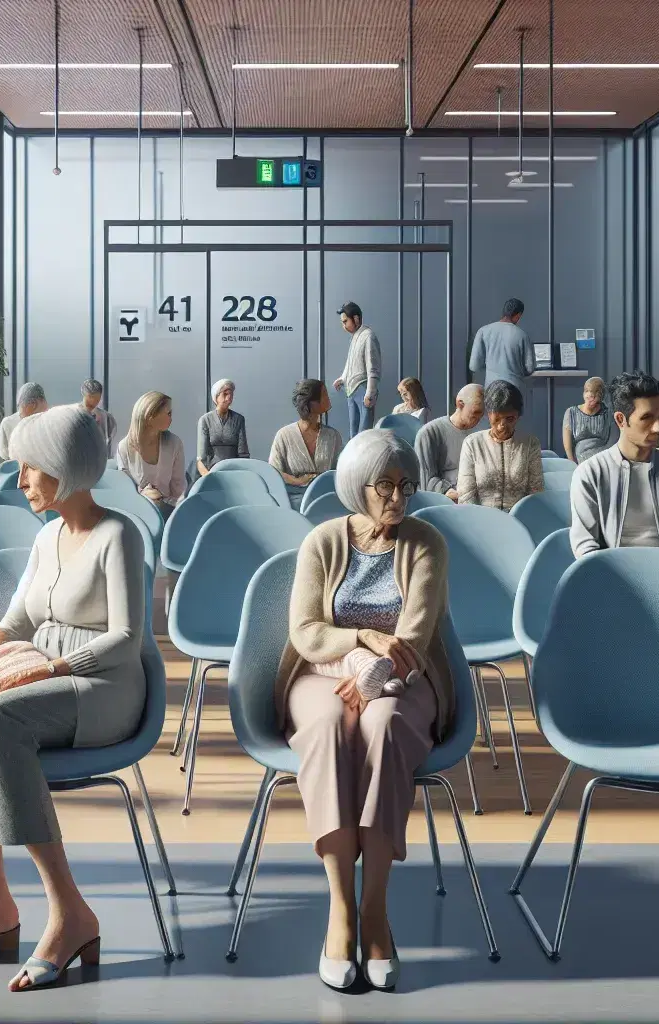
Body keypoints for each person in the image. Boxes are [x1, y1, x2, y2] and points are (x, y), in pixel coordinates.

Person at [0, 405, 149, 991]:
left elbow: (127, 639)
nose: (19, 481)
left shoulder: (118, 536)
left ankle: (70, 913)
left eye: (28, 469)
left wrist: (54, 667)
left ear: (62, 468)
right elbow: (19, 625)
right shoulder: (46, 537)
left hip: (104, 687)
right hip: (44, 678)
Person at [275, 430, 455, 991]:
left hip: (404, 679)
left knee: (384, 723)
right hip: (324, 672)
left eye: (405, 486)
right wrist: (360, 644)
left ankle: (375, 907)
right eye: (385, 486)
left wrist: (375, 676)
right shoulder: (323, 541)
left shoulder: (426, 543)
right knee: (329, 723)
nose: (397, 499)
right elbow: (305, 631)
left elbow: (414, 639)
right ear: (358, 487)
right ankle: (341, 908)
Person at [569, 371, 659, 558]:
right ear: (620, 420)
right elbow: (585, 546)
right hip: (611, 579)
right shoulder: (589, 474)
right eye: (646, 418)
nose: (658, 427)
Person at [456, 380, 543, 511]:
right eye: (497, 419)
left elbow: (536, 492)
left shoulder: (530, 444)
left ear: (518, 416)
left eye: (510, 419)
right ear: (488, 414)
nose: (502, 426)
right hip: (481, 519)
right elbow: (466, 495)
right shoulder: (473, 443)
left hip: (519, 519)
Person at [270, 378, 344, 508]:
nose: (328, 398)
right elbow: (273, 472)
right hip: (293, 501)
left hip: (325, 498)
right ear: (311, 403)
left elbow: (341, 471)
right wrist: (297, 481)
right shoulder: (284, 435)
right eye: (324, 394)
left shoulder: (333, 436)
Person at [113, 390, 186, 511]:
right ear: (150, 418)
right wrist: (143, 497)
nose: (171, 418)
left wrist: (164, 503)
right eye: (168, 413)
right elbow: (125, 493)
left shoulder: (174, 443)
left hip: (169, 511)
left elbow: (179, 490)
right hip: (137, 512)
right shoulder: (124, 448)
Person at [414, 384, 484, 499]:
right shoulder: (429, 433)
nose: (479, 418)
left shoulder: (481, 431)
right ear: (460, 404)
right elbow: (426, 482)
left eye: (482, 413)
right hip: (447, 502)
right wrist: (450, 491)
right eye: (475, 412)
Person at [330, 302, 380, 438]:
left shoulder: (368, 336)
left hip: (363, 388)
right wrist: (343, 378)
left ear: (356, 319)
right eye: (342, 322)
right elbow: (351, 362)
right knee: (353, 432)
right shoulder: (354, 337)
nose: (344, 326)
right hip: (351, 390)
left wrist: (370, 392)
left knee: (364, 433)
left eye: (345, 321)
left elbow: (373, 366)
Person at [468, 297, 535, 393]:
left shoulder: (483, 331)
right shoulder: (522, 335)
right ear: (518, 315)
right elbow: (530, 368)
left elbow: (474, 366)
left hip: (491, 389)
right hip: (515, 390)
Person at [195, 378, 250, 475]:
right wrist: (207, 476)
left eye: (230, 394)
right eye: (225, 394)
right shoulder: (205, 420)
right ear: (216, 397)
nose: (228, 398)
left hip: (234, 471)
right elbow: (201, 458)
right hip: (211, 471)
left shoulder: (239, 419)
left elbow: (243, 454)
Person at [564, 376, 614, 462]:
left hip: (603, 459)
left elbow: (612, 442)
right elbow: (568, 446)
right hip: (580, 462)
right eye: (587, 394)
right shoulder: (571, 413)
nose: (591, 400)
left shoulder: (608, 413)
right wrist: (573, 464)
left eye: (595, 397)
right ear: (584, 394)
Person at [0, 382, 48, 461]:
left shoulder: (49, 421)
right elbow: (5, 458)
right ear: (33, 404)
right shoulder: (8, 423)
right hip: (18, 470)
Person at [78, 379, 118, 452]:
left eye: (97, 400)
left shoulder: (108, 419)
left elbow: (110, 443)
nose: (93, 403)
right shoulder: (73, 416)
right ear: (83, 395)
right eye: (89, 403)